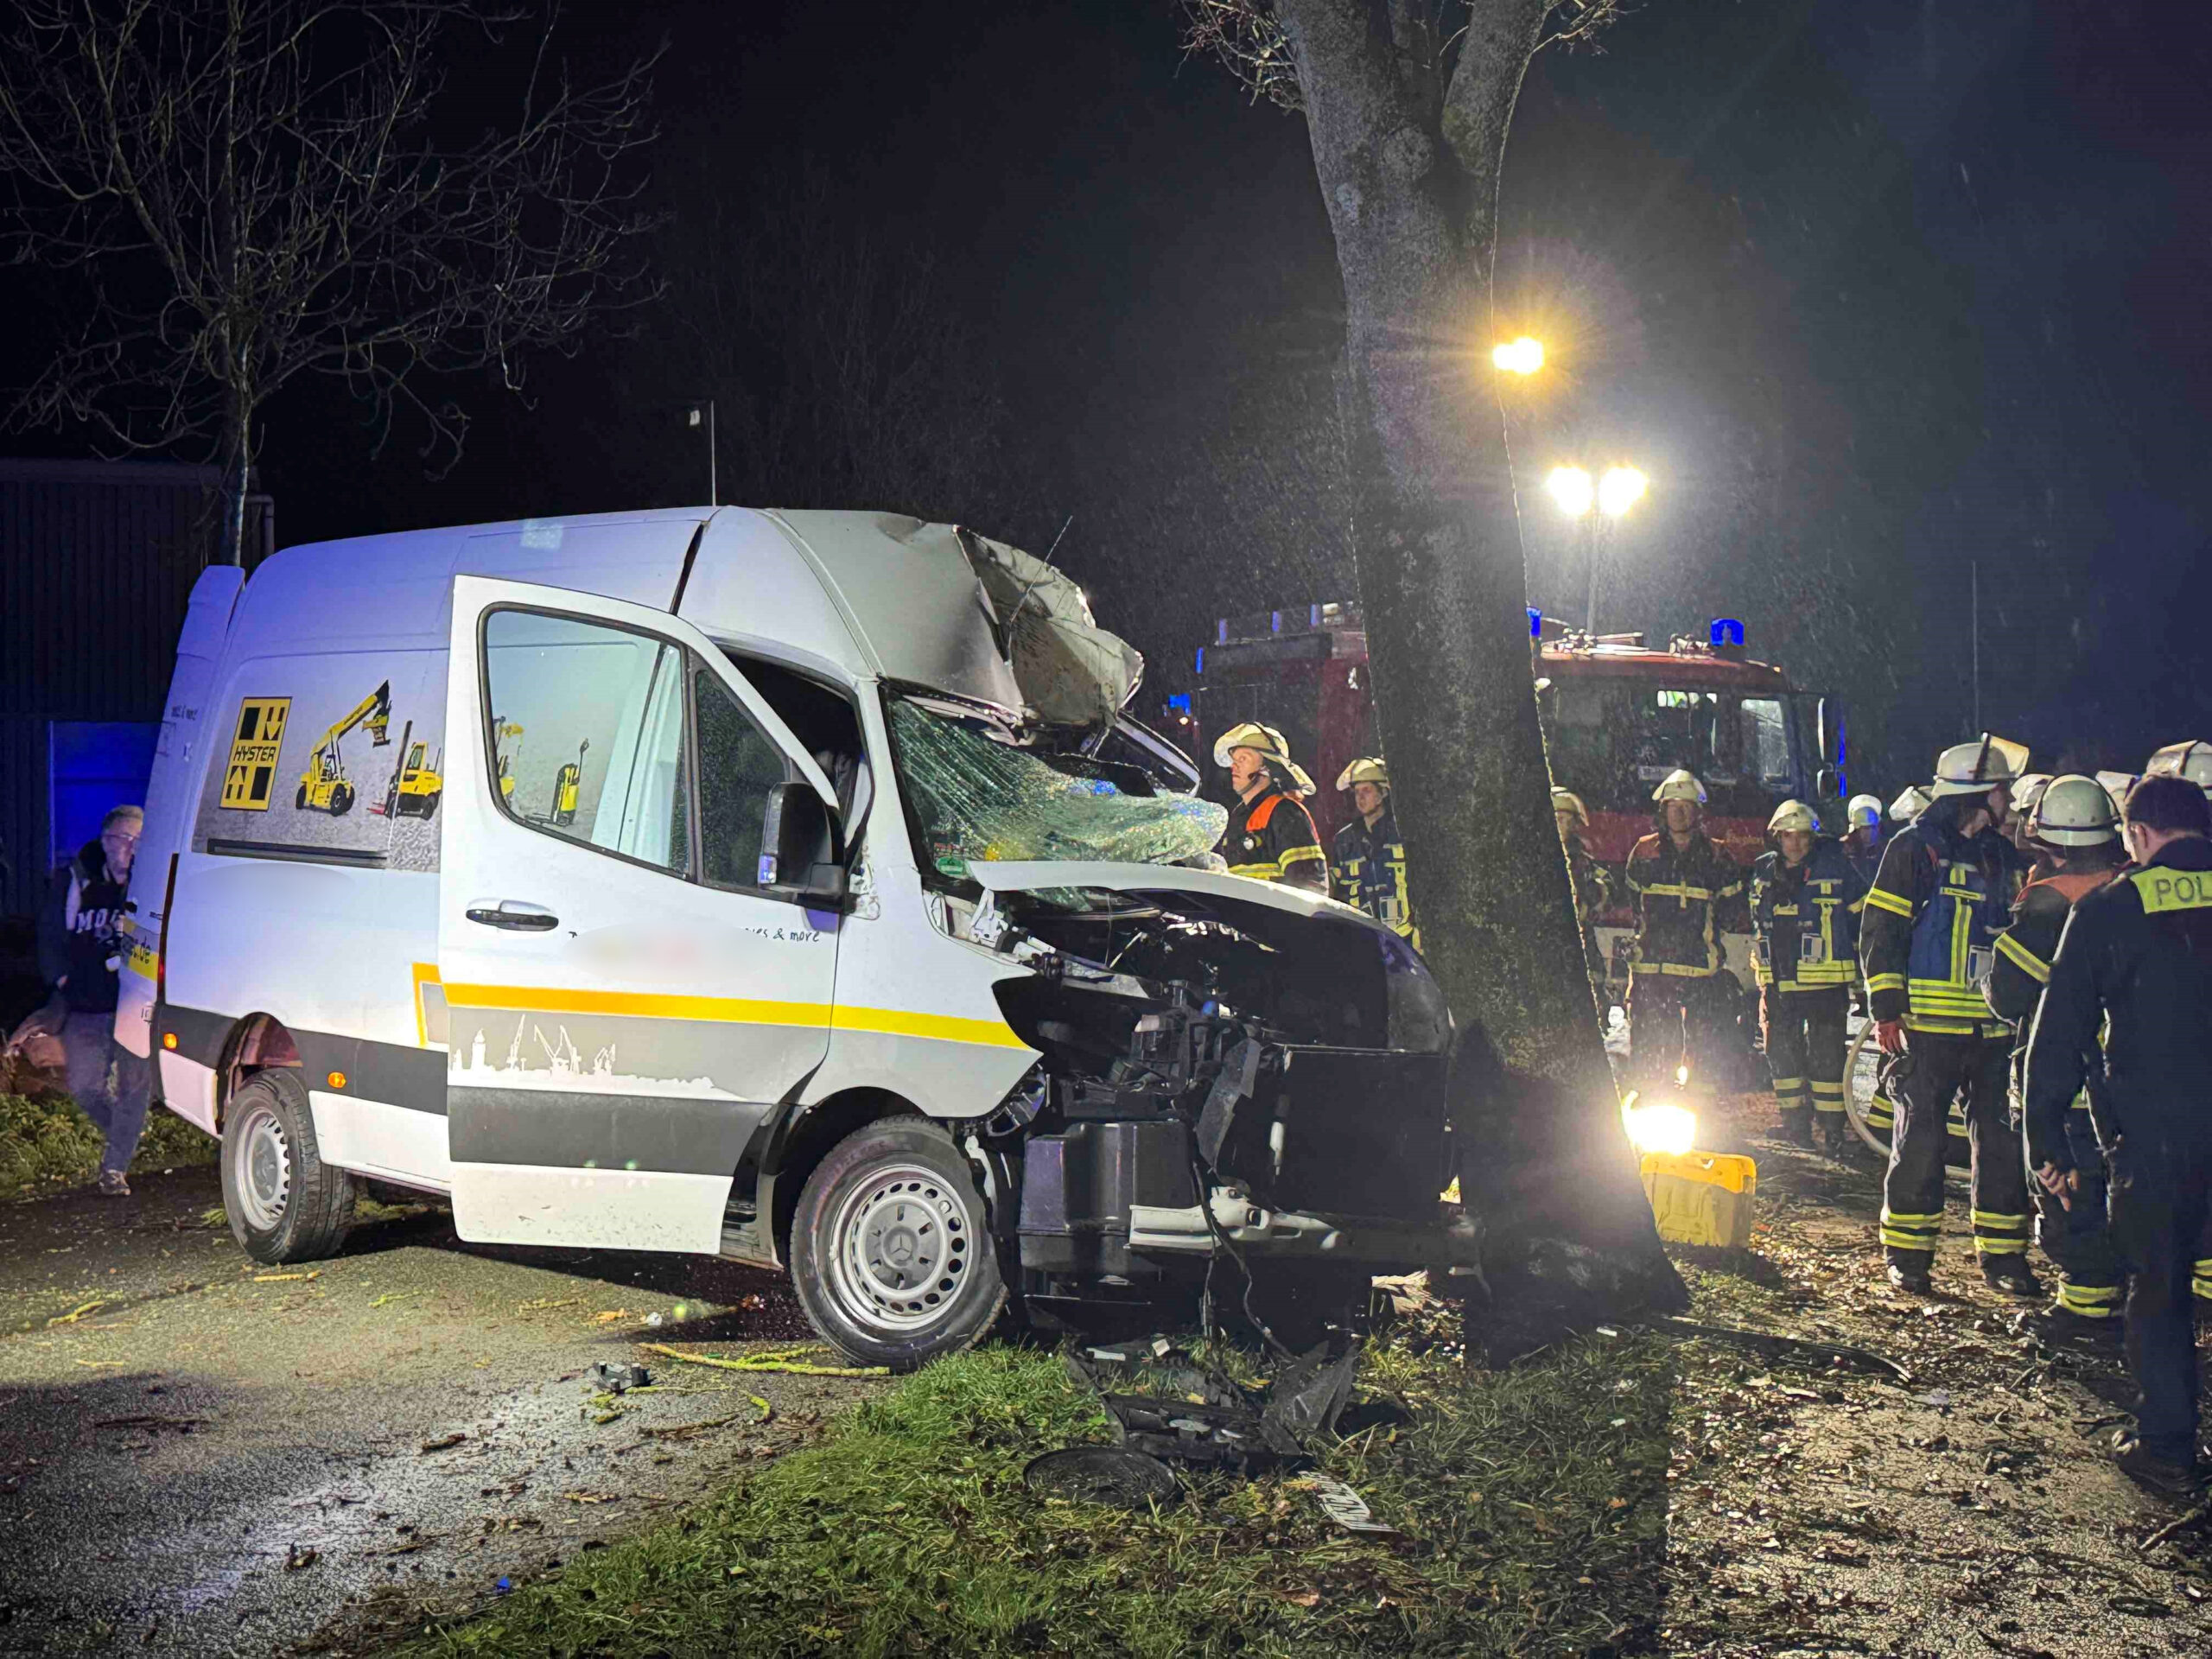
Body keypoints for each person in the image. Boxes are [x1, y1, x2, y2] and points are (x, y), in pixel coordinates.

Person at [2021, 775, 2212, 1496]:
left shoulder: (2111, 907)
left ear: (2137, 835)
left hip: (2156, 1136)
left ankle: (2167, 1446)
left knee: (2159, 1287)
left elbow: (2058, 1037)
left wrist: (2048, 1142)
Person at [1860, 735, 2033, 1297]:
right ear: (1979, 794)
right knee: (1922, 1142)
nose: (2009, 798)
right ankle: (1908, 1256)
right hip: (1927, 1028)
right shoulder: (1914, 849)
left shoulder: (2004, 857)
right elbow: (1881, 933)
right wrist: (1887, 1010)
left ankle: (2005, 1259)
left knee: (2002, 1145)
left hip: (1993, 1030)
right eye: (2002, 789)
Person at [1986, 776, 2127, 1342]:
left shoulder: (2050, 902)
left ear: (2053, 842)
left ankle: (2086, 1315)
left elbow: (2007, 994)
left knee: (2069, 1195)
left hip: (2064, 1085)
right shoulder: (2128, 887)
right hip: (2126, 1079)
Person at [35, 805, 148, 1196]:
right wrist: (62, 979)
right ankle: (127, 1132)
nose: (128, 848)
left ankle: (114, 1168)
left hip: (134, 1004)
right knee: (84, 1086)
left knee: (136, 1087)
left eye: (137, 841)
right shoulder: (77, 878)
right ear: (105, 840)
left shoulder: (150, 881)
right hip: (85, 1002)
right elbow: (49, 935)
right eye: (121, 839)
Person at [1751, 799, 1866, 1154]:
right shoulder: (1763, 872)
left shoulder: (1837, 868)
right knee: (1782, 1053)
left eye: (1802, 836)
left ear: (1812, 838)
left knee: (1827, 1057)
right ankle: (1795, 1125)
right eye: (1788, 836)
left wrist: (1864, 974)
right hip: (1779, 981)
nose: (1796, 844)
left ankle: (1833, 1130)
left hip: (1826, 984)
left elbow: (1863, 919)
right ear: (1777, 838)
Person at [1624, 770, 1747, 1090]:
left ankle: (1699, 1105)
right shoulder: (1644, 851)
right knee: (1652, 1040)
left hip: (1700, 966)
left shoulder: (1718, 856)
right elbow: (1631, 900)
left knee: (1704, 1044)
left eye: (1686, 806)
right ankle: (1653, 1096)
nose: (1679, 813)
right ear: (1662, 811)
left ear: (1698, 813)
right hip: (1652, 965)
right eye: (1673, 806)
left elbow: (1733, 910)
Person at [1212, 721, 1326, 893]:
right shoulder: (1238, 816)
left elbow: (1310, 886)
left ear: (1266, 768)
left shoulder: (1286, 813)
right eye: (1234, 760)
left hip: (1277, 919)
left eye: (1243, 758)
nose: (1233, 766)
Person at [1330, 756, 1417, 943]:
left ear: (1383, 793)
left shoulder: (1402, 832)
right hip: (1364, 940)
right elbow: (1336, 893)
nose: (1360, 798)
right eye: (1356, 792)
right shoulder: (1344, 841)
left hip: (1406, 939)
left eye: (1367, 791)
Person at [1553, 786, 1611, 991]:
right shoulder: (1535, 857)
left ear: (1574, 824)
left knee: (1591, 982)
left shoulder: (1583, 858)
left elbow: (1605, 889)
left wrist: (1595, 896)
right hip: (1549, 937)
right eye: (1554, 819)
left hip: (1578, 933)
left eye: (1561, 819)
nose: (1556, 825)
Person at [1842, 793, 1885, 888]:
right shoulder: (1843, 849)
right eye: (1865, 829)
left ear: (1878, 828)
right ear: (1856, 830)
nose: (1869, 834)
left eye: (1872, 828)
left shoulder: (1885, 849)